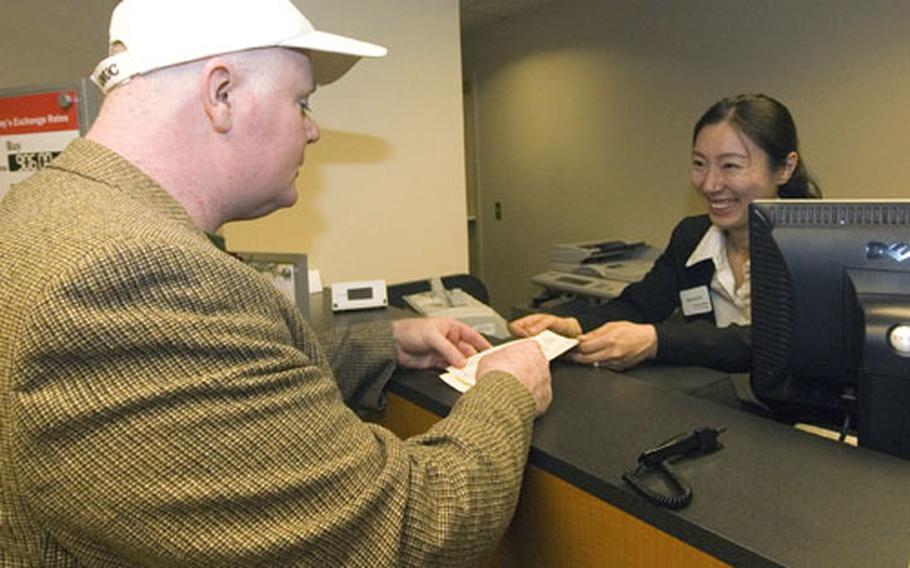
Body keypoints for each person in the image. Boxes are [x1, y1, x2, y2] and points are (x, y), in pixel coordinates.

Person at [0, 1, 553, 565]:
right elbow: (410, 526)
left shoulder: (50, 206)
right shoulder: (128, 272)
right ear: (221, 93)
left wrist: (382, 344)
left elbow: (209, 384)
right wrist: (506, 388)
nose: (312, 131)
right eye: (302, 101)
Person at [511, 93, 821, 373]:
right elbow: (641, 305)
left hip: (796, 420)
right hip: (719, 402)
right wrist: (572, 325)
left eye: (730, 166)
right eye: (700, 164)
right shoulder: (691, 236)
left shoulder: (814, 248)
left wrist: (656, 340)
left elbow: (774, 342)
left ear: (785, 168)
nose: (710, 184)